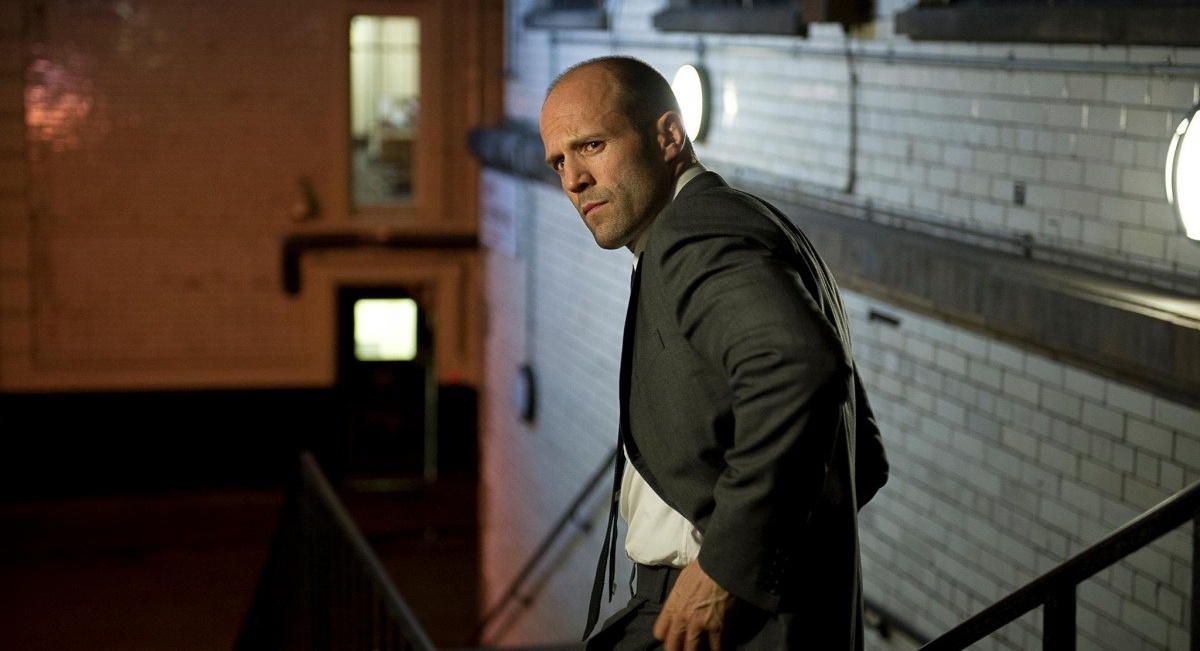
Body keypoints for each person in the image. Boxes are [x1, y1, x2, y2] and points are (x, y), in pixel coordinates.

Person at [538, 55, 890, 651]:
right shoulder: (735, 224)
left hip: (728, 617)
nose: (573, 179)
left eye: (591, 146)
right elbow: (864, 460)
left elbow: (798, 367)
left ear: (669, 136)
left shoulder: (696, 234)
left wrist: (726, 567)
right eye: (558, 162)